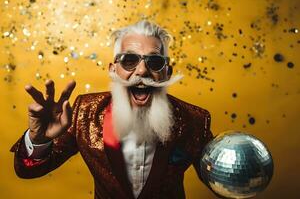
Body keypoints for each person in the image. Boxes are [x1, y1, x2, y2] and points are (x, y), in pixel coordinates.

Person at [11, 20, 213, 199]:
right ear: (113, 69)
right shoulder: (85, 112)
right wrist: (38, 140)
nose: (142, 71)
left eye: (155, 62)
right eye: (129, 60)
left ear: (167, 73)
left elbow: (218, 179)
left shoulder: (195, 120)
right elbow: (28, 171)